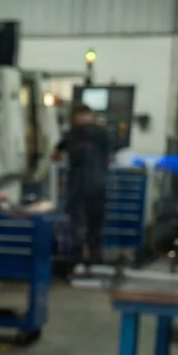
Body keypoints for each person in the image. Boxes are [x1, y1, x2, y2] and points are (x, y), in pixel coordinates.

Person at [55, 103, 119, 268]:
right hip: (87, 185)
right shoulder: (77, 135)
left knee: (87, 223)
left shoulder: (95, 134)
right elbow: (57, 153)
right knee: (86, 223)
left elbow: (56, 154)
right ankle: (86, 258)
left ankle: (84, 258)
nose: (82, 119)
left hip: (88, 186)